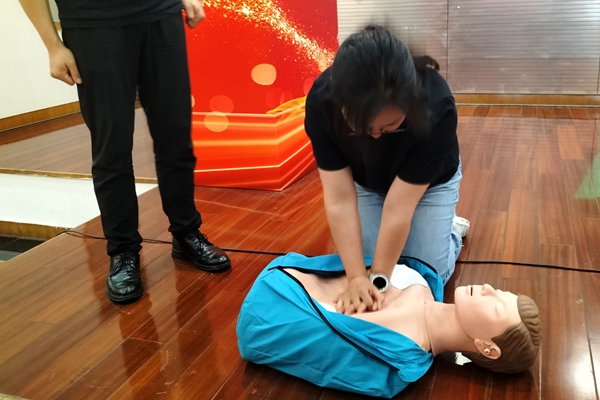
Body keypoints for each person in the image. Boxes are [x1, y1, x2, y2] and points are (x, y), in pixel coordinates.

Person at [18, 0, 231, 303]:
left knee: (175, 136)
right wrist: (53, 46)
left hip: (160, 15)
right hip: (93, 25)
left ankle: (187, 233)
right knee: (112, 147)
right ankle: (123, 251)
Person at [304, 25, 469, 315]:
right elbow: (340, 199)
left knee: (426, 277)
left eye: (388, 126)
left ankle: (451, 231)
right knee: (367, 263)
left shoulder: (436, 105)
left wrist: (377, 284)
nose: (375, 136)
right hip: (367, 181)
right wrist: (357, 278)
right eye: (363, 127)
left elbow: (398, 207)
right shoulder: (321, 102)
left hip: (429, 185)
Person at [237, 253, 541, 398]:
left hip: (271, 300)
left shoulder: (399, 356)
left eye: (496, 307)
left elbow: (302, 340)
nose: (487, 288)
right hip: (287, 274)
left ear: (487, 348)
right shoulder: (423, 280)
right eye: (499, 290)